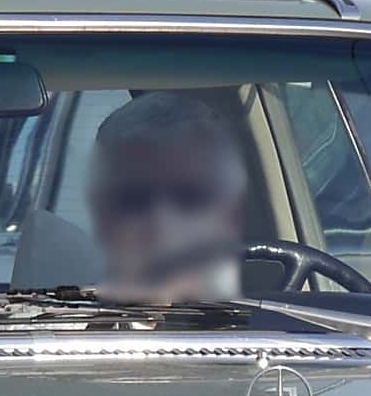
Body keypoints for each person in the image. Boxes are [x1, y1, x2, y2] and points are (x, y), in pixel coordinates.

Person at [83, 90, 254, 296]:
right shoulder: (57, 321)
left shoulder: (290, 320)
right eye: (134, 200)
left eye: (191, 197)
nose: (162, 224)